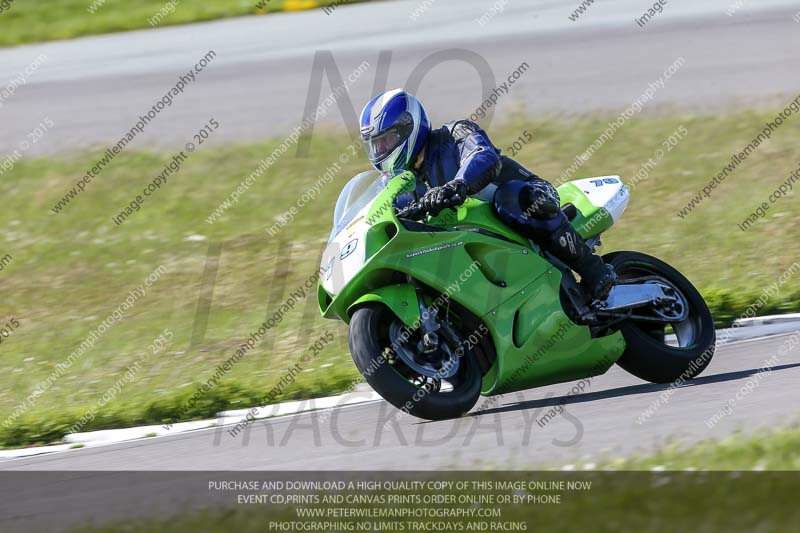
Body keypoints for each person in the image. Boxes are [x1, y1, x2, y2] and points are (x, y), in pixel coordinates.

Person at [359, 89, 616, 300]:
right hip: (475, 232)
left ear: (409, 127)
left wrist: (457, 184)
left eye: (386, 141)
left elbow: (483, 155)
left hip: (531, 196)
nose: (381, 150)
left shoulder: (454, 133)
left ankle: (593, 269)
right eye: (376, 145)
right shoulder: (399, 182)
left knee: (510, 198)